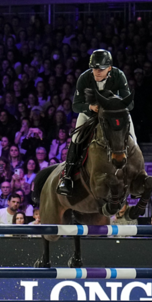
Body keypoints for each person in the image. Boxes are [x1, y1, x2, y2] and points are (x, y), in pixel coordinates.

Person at [59, 49, 136, 196]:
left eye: (101, 69)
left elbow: (130, 104)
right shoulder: (84, 78)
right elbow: (76, 105)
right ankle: (67, 177)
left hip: (113, 115)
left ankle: (134, 175)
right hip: (90, 114)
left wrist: (114, 105)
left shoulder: (119, 76)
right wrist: (90, 107)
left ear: (109, 68)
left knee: (133, 138)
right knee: (76, 138)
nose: (97, 72)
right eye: (95, 68)